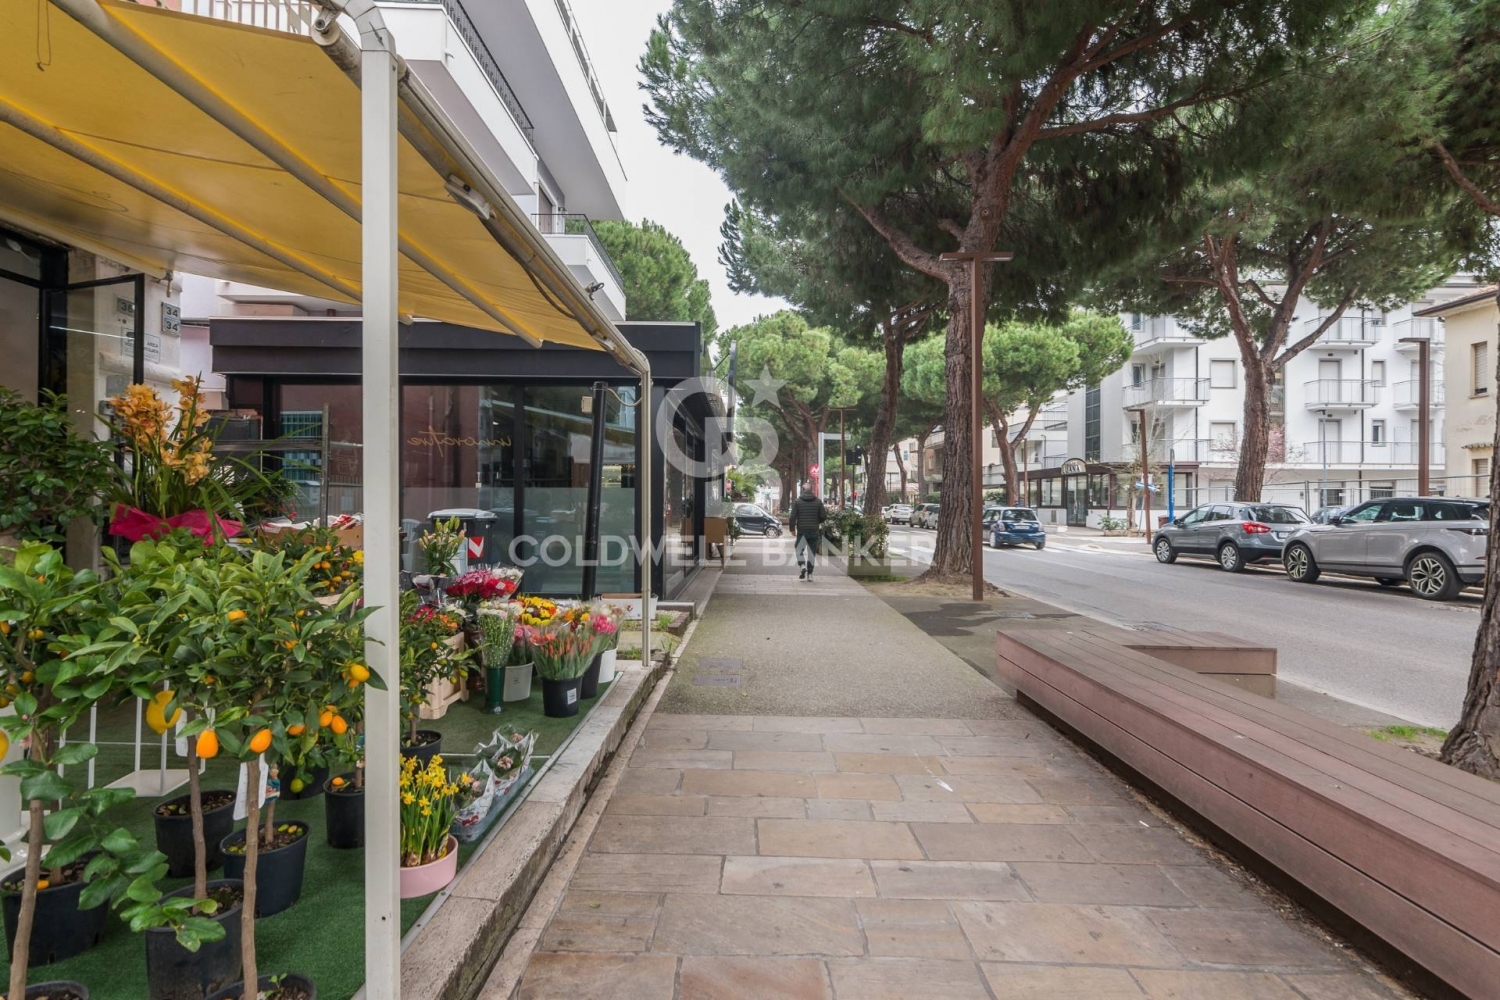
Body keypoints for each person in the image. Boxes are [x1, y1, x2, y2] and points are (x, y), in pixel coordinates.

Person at [788, 487, 827, 580]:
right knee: (811, 552)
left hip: (802, 531)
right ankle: (810, 574)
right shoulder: (818, 502)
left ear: (803, 491)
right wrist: (817, 522)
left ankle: (802, 565)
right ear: (812, 492)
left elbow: (792, 517)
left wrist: (792, 529)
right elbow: (823, 516)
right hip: (814, 530)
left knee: (798, 549)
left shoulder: (797, 502)